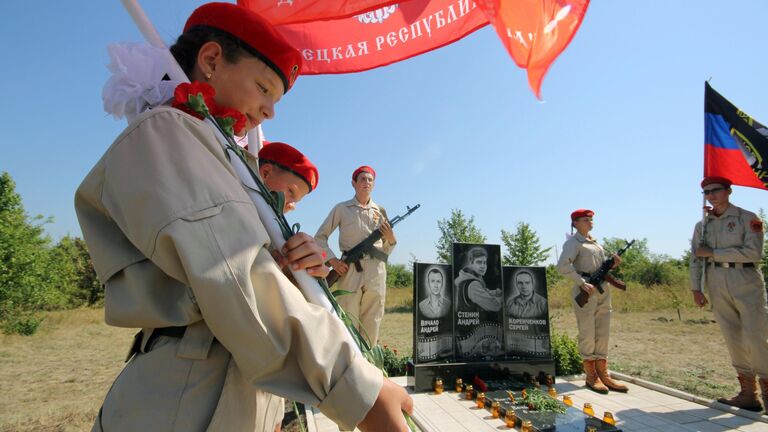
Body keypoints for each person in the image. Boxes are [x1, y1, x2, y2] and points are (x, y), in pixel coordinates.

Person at [75, 3, 411, 431]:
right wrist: (358, 393)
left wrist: (293, 266)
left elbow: (249, 271)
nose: (270, 111)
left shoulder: (223, 157)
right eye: (264, 88)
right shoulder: (168, 132)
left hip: (233, 384)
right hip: (185, 398)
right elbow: (238, 280)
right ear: (212, 60)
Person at [690, 176, 768, 413]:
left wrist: (714, 252)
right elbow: (696, 258)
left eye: (716, 190)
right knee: (732, 336)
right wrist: (696, 287)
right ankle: (748, 393)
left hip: (745, 280)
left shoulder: (748, 218)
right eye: (707, 192)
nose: (711, 195)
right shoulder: (703, 225)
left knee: (756, 336)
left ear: (729, 191)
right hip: (715, 281)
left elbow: (753, 253)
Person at [315, 165, 396, 346]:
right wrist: (332, 260)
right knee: (348, 316)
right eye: (362, 179)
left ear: (374, 185)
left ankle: (369, 364)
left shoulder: (380, 211)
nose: (366, 183)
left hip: (376, 270)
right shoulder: (342, 209)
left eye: (370, 180)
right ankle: (349, 363)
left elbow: (386, 249)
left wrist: (391, 239)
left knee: (373, 318)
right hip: (350, 269)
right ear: (354, 183)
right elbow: (319, 238)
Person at [556, 209, 627, 394]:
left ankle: (604, 374)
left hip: (603, 290)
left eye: (591, 220)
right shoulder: (573, 243)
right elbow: (562, 266)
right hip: (586, 290)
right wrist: (581, 282)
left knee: (602, 332)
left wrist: (613, 263)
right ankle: (591, 376)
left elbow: (599, 266)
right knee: (587, 332)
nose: (590, 222)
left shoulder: (595, 243)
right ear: (575, 223)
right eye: (586, 220)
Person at [455, 247, 502, 314]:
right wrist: (503, 298)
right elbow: (495, 306)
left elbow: (483, 291)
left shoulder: (470, 276)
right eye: (479, 262)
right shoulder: (473, 284)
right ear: (471, 263)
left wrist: (496, 292)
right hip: (472, 322)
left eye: (484, 263)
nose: (483, 266)